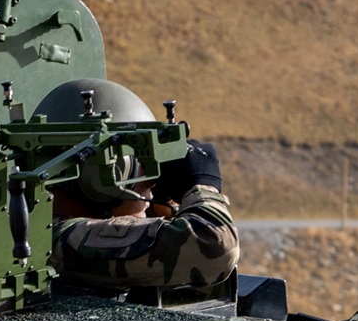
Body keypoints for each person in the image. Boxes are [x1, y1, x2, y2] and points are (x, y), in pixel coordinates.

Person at [36, 78, 240, 295]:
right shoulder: (61, 240)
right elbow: (214, 246)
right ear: (101, 173)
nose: (153, 181)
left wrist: (166, 204)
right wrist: (203, 185)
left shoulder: (39, 225)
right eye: (144, 164)